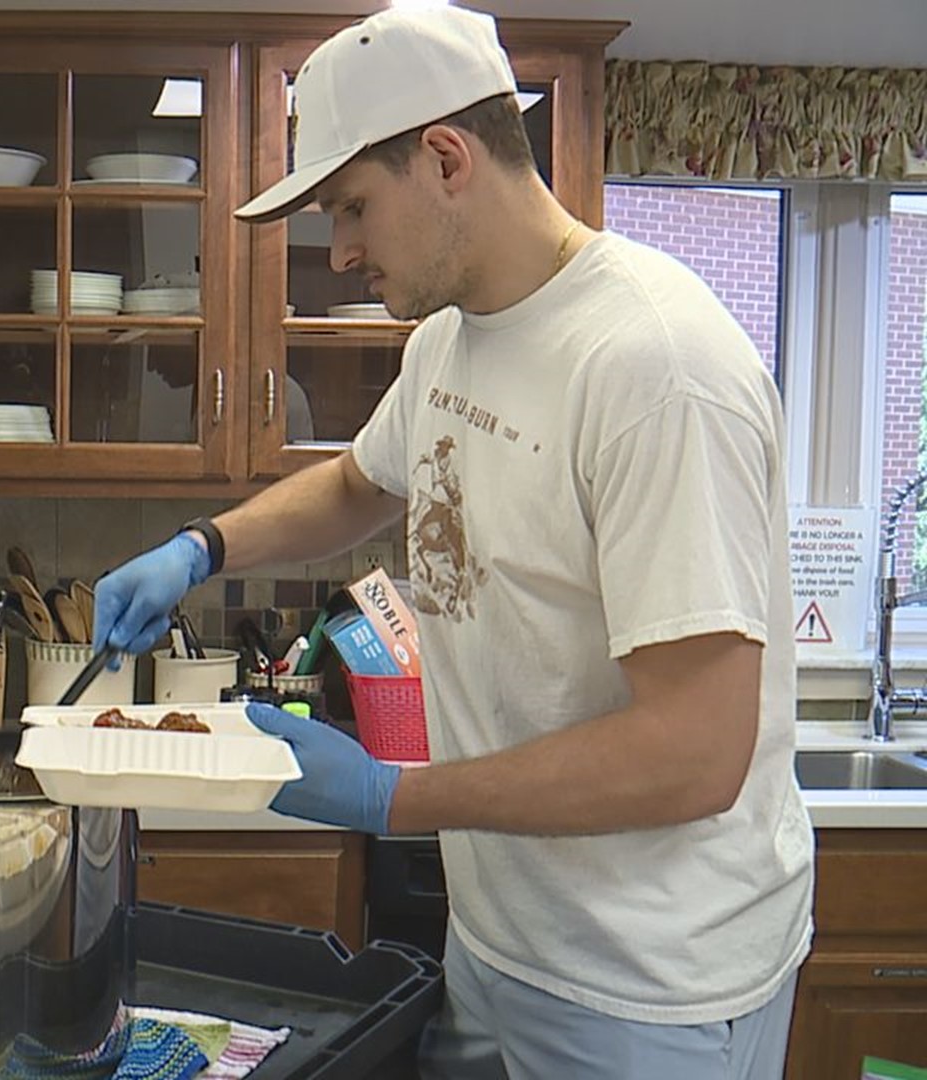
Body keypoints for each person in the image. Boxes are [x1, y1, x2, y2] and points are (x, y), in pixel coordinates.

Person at [90, 8, 812, 1079]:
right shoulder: (447, 344)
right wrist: (201, 546)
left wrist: (396, 800)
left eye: (351, 208)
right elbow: (357, 484)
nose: (336, 251)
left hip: (651, 989)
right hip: (496, 943)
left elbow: (697, 752)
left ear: (444, 157)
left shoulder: (654, 365)